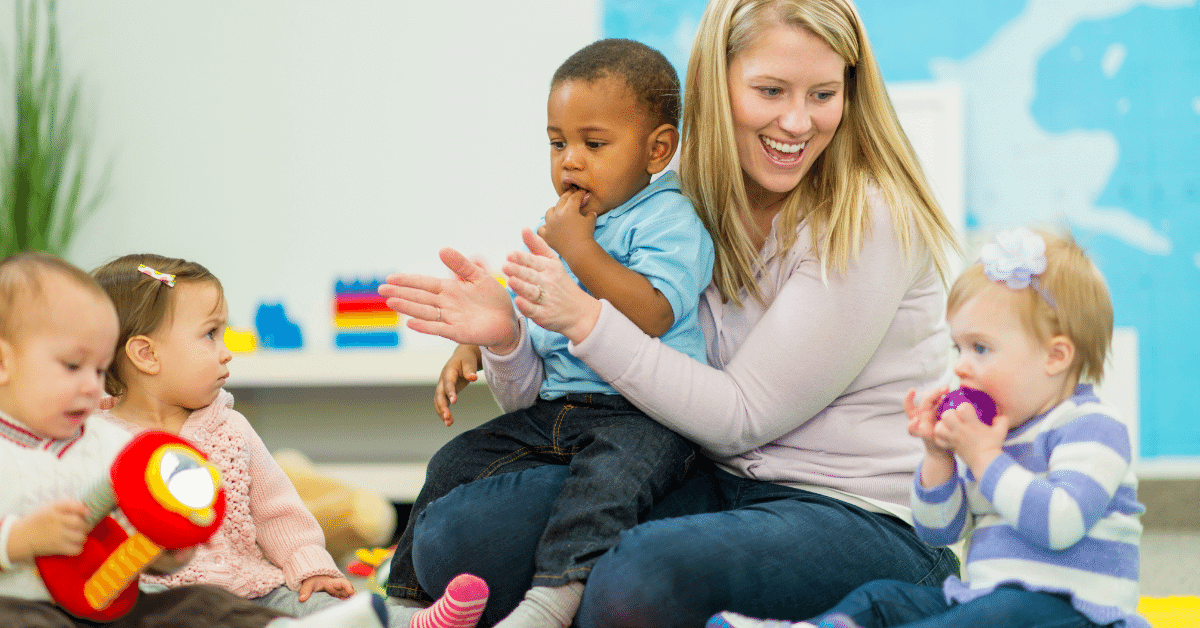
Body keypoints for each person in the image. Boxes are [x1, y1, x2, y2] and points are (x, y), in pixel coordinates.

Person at [379, 0, 964, 626]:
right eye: (770, 90)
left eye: (823, 94)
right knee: (457, 537)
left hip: (853, 512)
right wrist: (506, 340)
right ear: (718, 84)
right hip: (713, 482)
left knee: (638, 576)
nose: (797, 122)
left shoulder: (869, 217)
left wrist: (586, 319)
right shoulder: (676, 198)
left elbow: (742, 417)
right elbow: (559, 396)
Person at [383, 38, 716, 628]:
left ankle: (553, 600)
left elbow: (656, 312)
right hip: (559, 408)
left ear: (657, 149)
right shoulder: (562, 224)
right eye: (558, 143)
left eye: (594, 144)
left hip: (643, 416)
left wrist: (580, 249)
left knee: (605, 488)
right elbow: (528, 302)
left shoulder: (670, 219)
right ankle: (403, 601)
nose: (569, 161)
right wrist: (482, 340)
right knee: (456, 460)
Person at [709, 228, 1149, 628]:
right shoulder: (995, 433)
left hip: (1074, 614)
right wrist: (938, 457)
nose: (960, 365)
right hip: (982, 605)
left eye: (981, 348)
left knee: (1007, 609)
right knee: (883, 598)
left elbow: (1060, 523)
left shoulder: (1093, 428)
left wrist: (984, 459)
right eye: (957, 347)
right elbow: (940, 533)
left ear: (1055, 357)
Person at [89, 253, 489, 628]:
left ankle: (413, 622)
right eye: (210, 335)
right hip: (158, 598)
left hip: (254, 589)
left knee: (323, 606)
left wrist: (312, 566)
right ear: (146, 355)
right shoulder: (96, 442)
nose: (226, 352)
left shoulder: (230, 428)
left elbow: (278, 512)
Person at [0, 251, 389, 628]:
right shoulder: (46, 446)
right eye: (72, 366)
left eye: (99, 369)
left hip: (182, 594)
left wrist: (168, 554)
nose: (90, 384)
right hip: (55, 603)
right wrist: (20, 539)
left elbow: (275, 513)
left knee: (215, 604)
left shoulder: (124, 444)